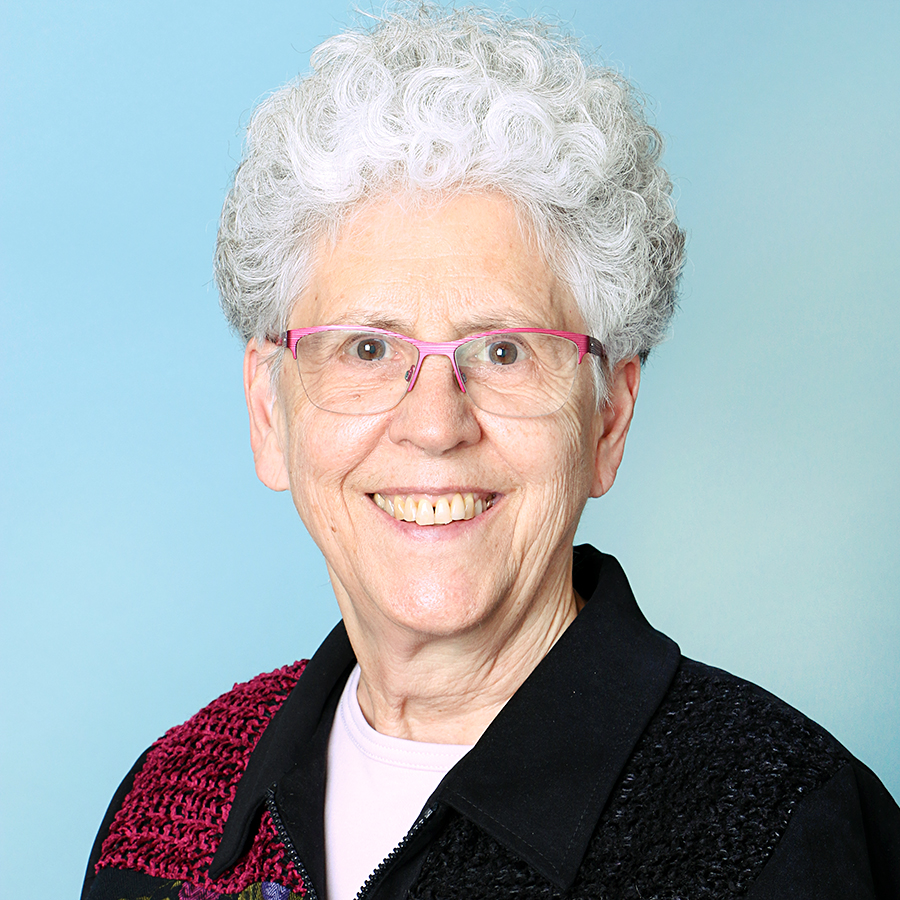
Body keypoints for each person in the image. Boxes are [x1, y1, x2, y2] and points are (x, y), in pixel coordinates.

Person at [82, 6, 900, 899]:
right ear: (268, 410)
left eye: (505, 351)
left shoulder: (781, 830)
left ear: (608, 418)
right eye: (367, 348)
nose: (435, 424)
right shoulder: (167, 810)